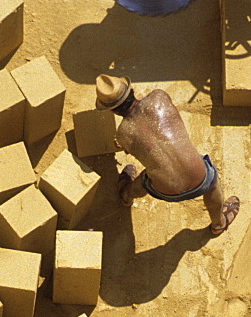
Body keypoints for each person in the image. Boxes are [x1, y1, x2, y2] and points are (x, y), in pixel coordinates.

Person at [95, 74, 239, 236]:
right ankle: (218, 223)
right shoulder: (159, 97)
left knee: (147, 177)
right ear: (131, 90)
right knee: (213, 184)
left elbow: (135, 149)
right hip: (201, 180)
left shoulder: (123, 133)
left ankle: (126, 196)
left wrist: (124, 145)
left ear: (113, 111)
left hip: (165, 190)